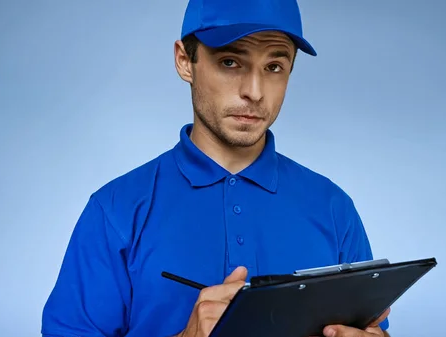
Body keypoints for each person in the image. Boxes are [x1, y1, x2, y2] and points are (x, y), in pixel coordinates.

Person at [41, 0, 391, 336]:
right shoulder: (115, 211)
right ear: (184, 61)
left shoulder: (333, 208)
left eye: (273, 67)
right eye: (230, 62)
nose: (254, 92)